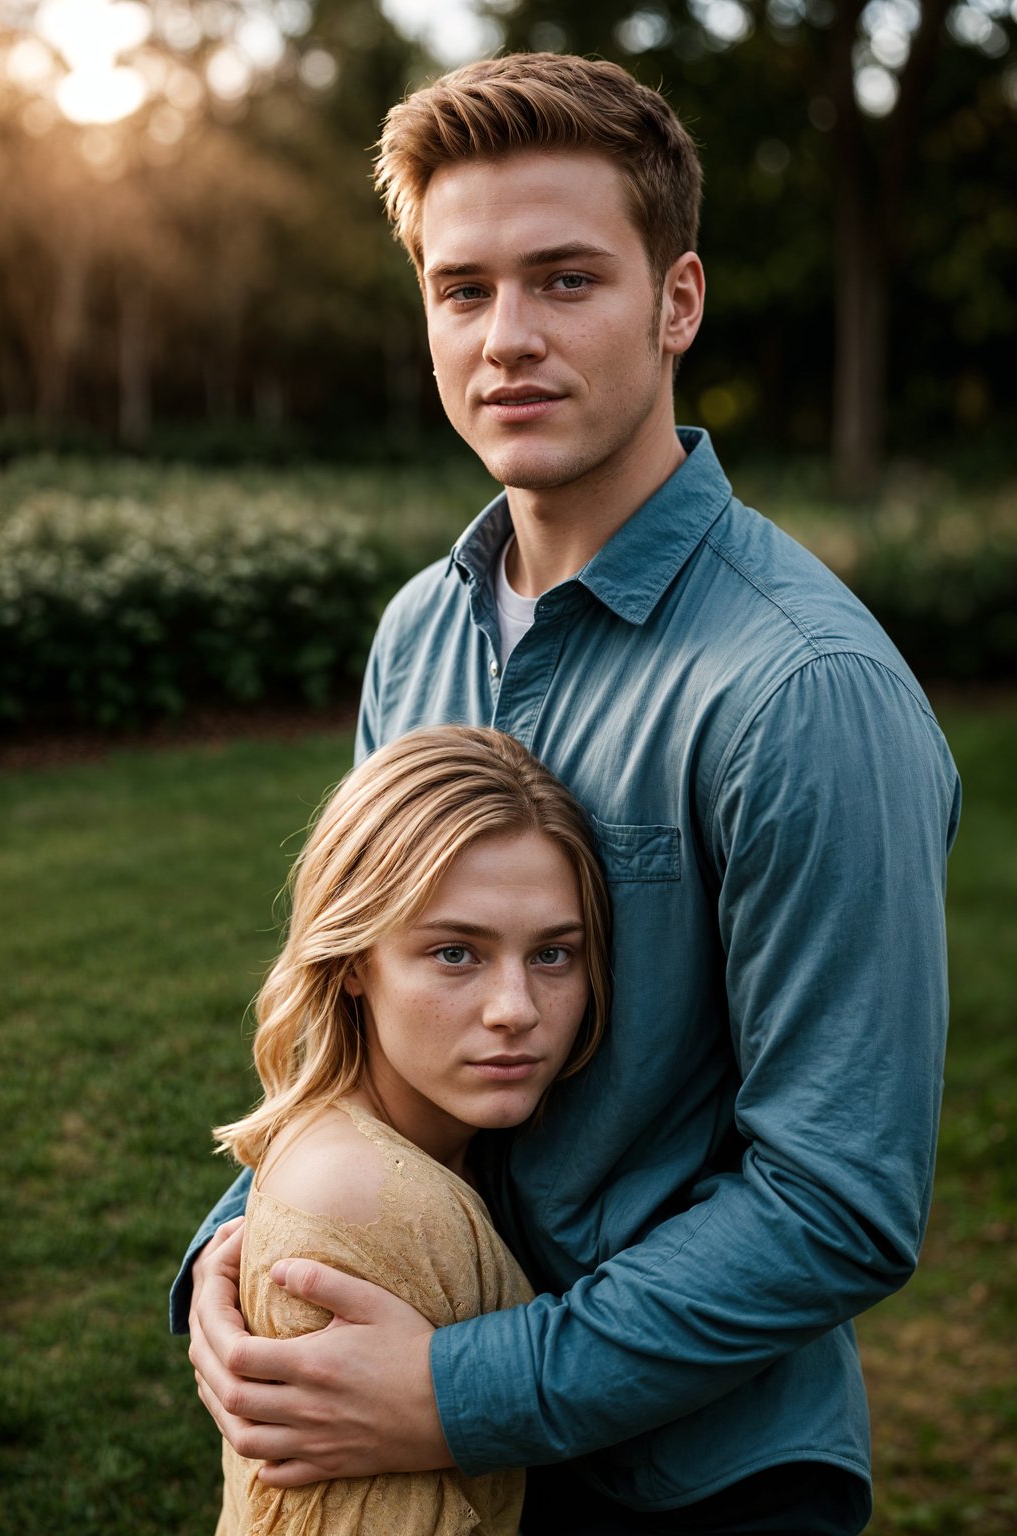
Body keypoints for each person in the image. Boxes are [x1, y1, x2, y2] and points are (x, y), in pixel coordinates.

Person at [172, 53, 962, 1536]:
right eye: (463, 290)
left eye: (567, 281)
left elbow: (841, 1197)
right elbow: (355, 1000)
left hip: (695, 1481)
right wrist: (228, 1257)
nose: (508, 340)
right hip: (427, 1437)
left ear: (678, 303)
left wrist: (463, 1388)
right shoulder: (419, 630)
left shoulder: (806, 693)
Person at [209, 723, 611, 1535]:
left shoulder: (382, 1145)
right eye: (456, 953)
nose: (517, 1011)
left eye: (554, 955)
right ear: (353, 960)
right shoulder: (372, 1200)